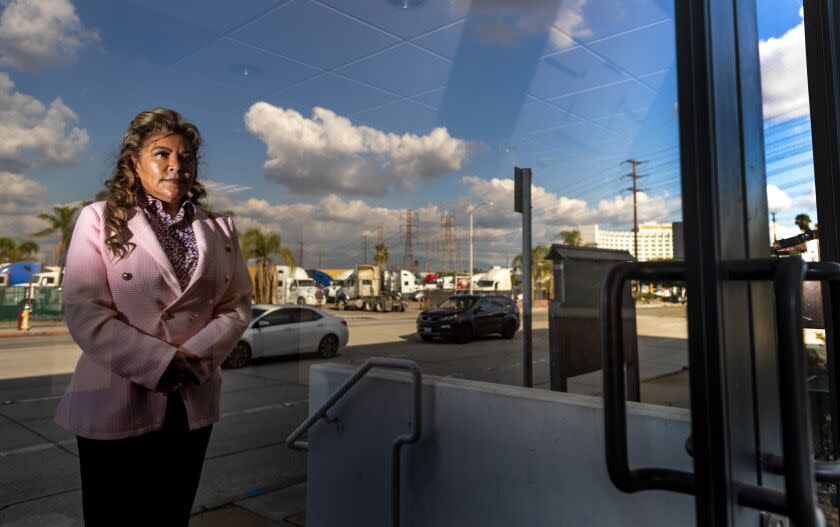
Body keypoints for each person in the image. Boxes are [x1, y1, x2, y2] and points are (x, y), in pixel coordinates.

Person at [54, 108, 253, 527]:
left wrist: (192, 359)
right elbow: (85, 309)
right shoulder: (100, 219)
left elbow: (236, 304)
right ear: (134, 162)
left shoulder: (221, 229)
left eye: (186, 157)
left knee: (171, 514)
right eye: (162, 154)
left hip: (190, 400)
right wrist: (160, 361)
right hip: (115, 395)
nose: (176, 166)